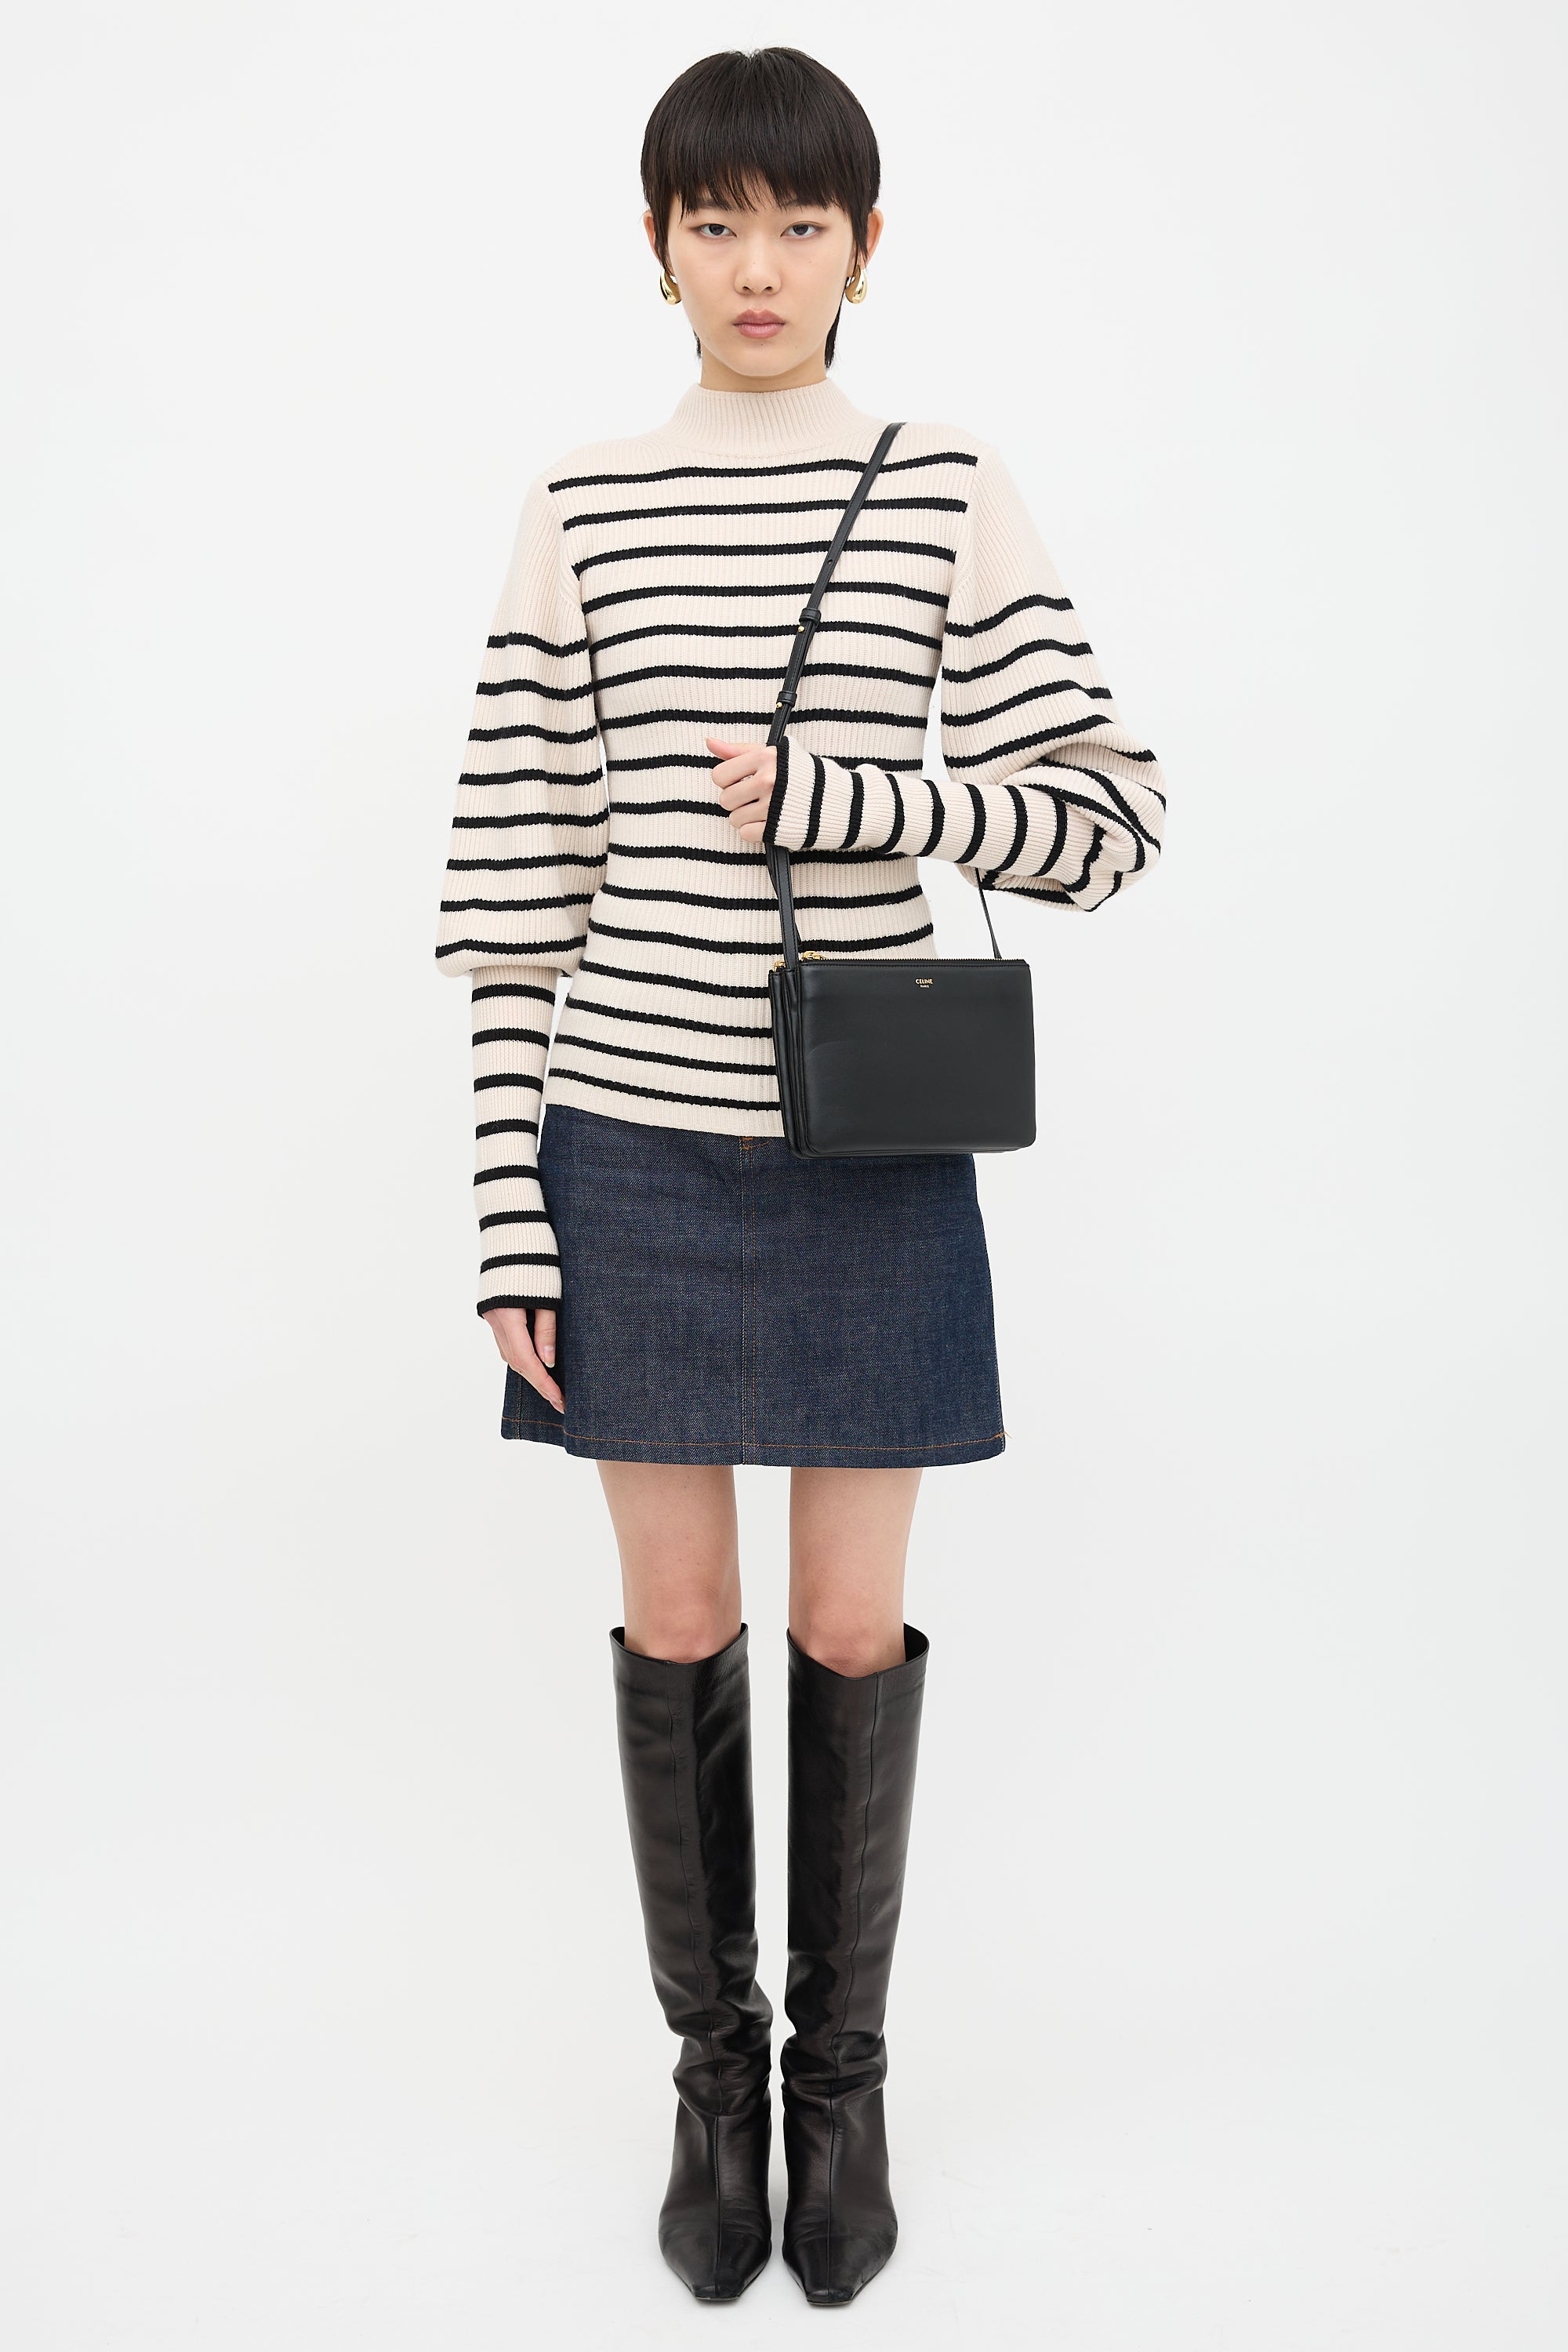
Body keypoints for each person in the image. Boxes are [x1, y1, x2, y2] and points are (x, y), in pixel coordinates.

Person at [434, 45, 1165, 2307]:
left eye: (802, 222)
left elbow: (1109, 819)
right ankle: (710, 2082)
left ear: (866, 245)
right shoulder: (583, 501)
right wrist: (509, 1202)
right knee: (677, 1622)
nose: (759, 266)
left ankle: (837, 2092)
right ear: (655, 246)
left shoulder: (943, 484)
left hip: (868, 1151)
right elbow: (516, 880)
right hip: (631, 1146)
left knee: (849, 1626)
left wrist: (869, 801)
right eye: (716, 222)